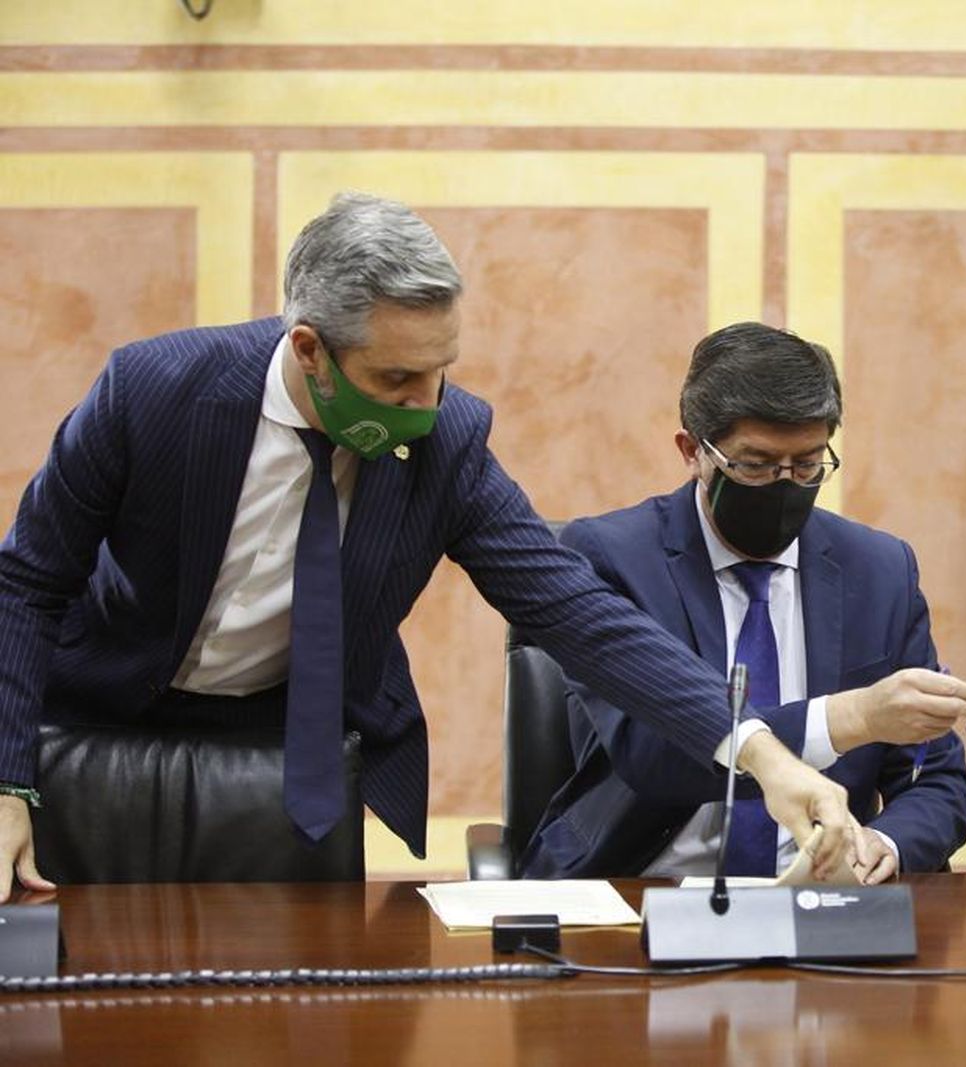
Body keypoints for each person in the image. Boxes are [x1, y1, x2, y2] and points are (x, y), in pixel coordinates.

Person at [0, 192, 859, 899]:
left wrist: (758, 752)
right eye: (396, 379)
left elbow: (579, 615)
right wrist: (3, 782)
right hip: (98, 725)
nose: (426, 401)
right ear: (310, 349)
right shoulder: (152, 393)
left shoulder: (447, 441)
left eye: (440, 370)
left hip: (292, 744)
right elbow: (28, 582)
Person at [520, 322, 966, 882]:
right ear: (693, 451)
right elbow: (652, 756)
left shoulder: (880, 571)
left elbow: (935, 778)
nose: (784, 486)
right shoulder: (613, 559)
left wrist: (885, 844)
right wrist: (849, 718)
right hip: (645, 885)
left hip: (824, 896)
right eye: (755, 466)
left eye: (807, 465)